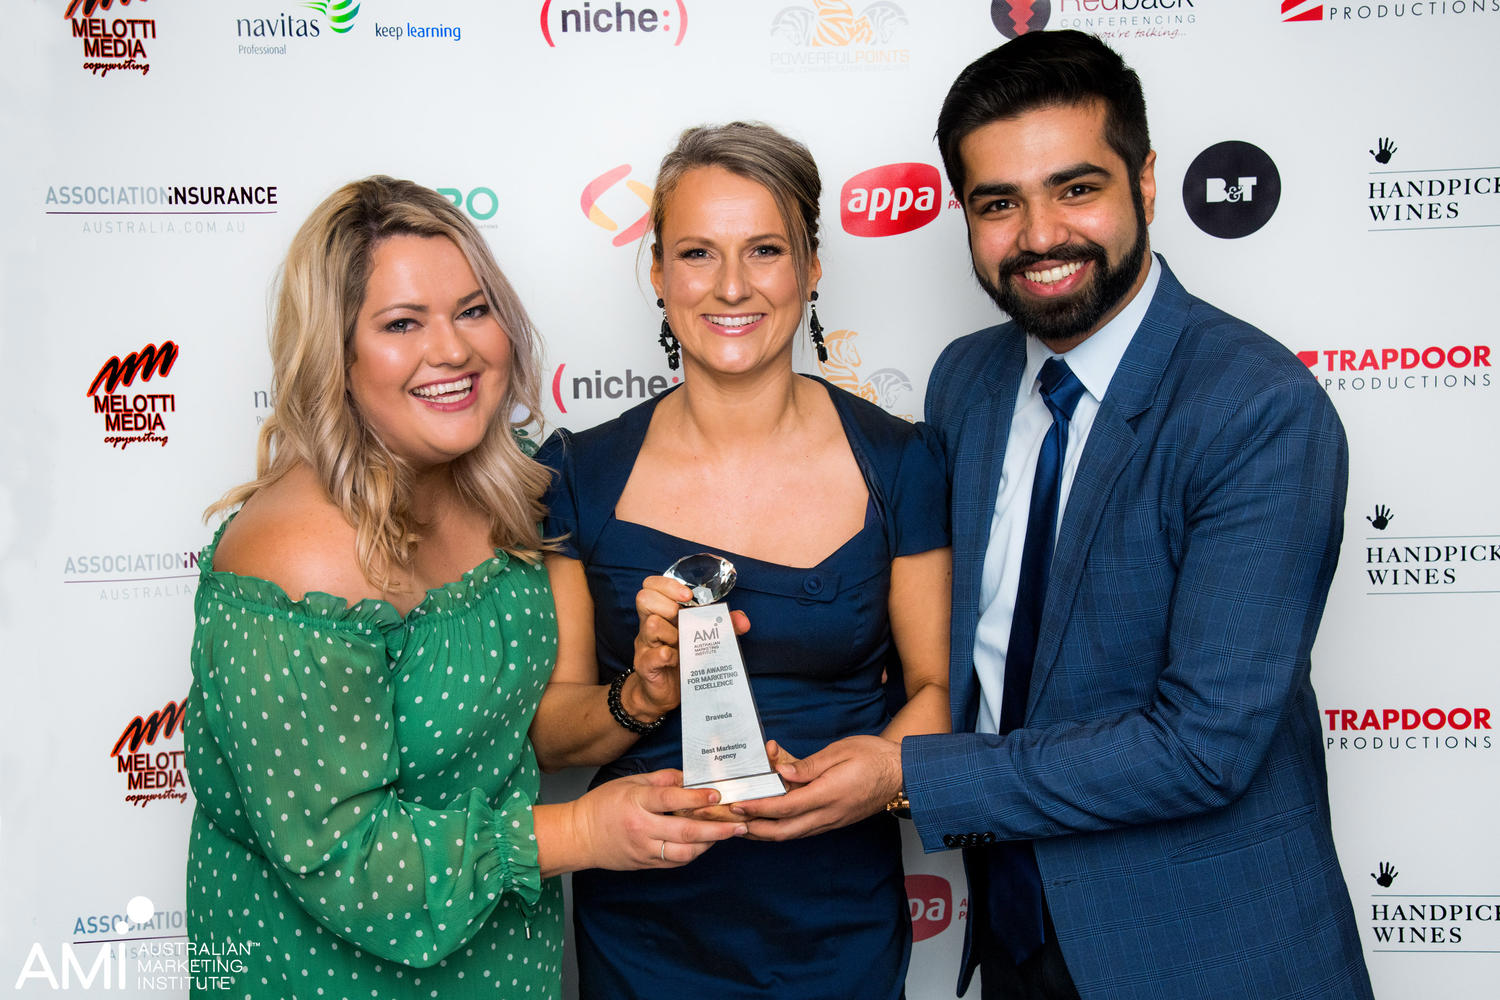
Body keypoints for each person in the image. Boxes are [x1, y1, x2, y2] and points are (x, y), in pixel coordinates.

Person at [782, 31, 1376, 999]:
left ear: (1146, 182)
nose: (1040, 235)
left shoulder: (1257, 408)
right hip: (1015, 939)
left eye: (1076, 188)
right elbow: (951, 635)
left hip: (1206, 954)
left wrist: (907, 776)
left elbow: (1203, 746)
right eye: (999, 204)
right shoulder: (966, 381)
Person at [182, 176, 742, 999]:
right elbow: (346, 860)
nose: (452, 351)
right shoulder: (297, 559)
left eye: (473, 311)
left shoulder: (506, 493)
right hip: (327, 975)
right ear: (335, 354)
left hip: (500, 965)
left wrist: (640, 697)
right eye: (402, 324)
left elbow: (510, 735)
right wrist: (582, 831)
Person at [532, 122, 952, 999]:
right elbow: (552, 732)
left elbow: (938, 690)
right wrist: (641, 694)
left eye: (765, 249)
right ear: (657, 273)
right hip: (644, 924)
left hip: (838, 919)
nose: (732, 286)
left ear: (811, 266)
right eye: (697, 253)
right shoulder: (577, 473)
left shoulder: (901, 462)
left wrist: (882, 772)